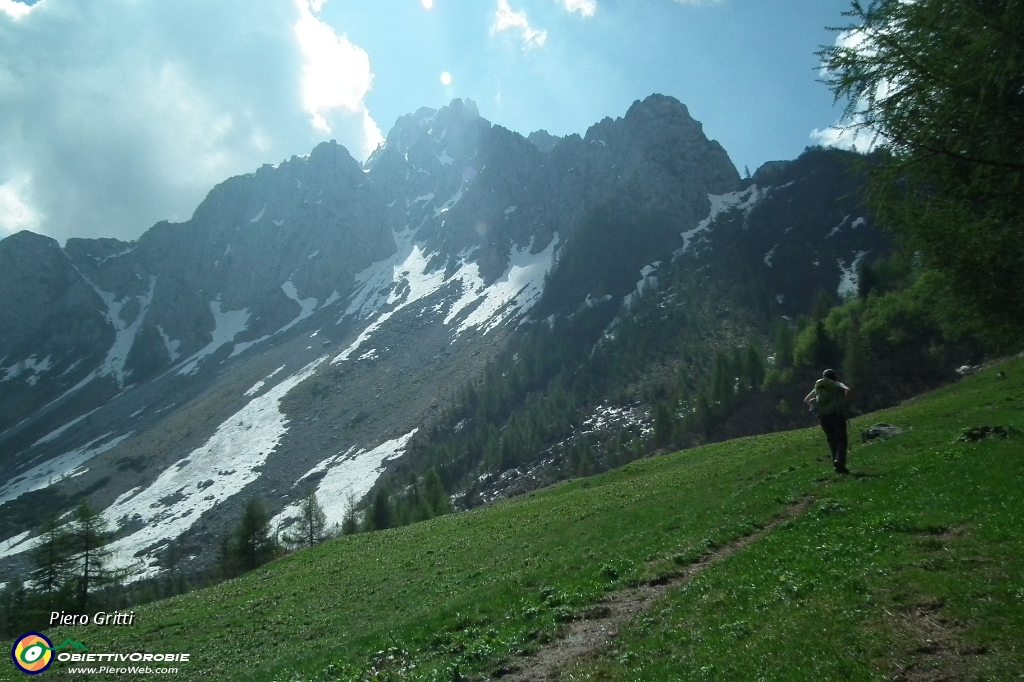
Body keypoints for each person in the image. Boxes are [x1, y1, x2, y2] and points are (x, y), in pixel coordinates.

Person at [804, 369, 851, 474]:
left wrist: (816, 410)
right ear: (833, 377)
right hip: (836, 415)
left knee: (832, 441)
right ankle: (839, 461)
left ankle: (836, 467)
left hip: (823, 418)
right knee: (841, 440)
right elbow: (847, 389)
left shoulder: (818, 386)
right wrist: (843, 403)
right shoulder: (835, 384)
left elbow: (806, 400)